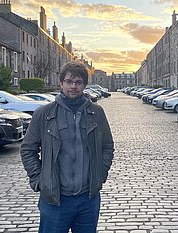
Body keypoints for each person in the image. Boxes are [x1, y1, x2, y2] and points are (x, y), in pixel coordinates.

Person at [20, 61, 114, 233]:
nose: (73, 86)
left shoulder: (96, 113)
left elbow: (107, 147)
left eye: (78, 82)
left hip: (88, 199)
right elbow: (27, 150)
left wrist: (100, 173)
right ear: (61, 83)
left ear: (85, 85)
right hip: (55, 200)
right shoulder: (44, 114)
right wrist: (40, 179)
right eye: (69, 81)